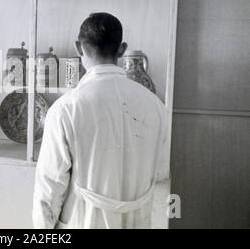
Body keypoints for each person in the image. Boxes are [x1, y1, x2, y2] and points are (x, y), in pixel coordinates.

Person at [32, 12, 168, 229]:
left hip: (83, 222)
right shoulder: (156, 106)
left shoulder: (66, 108)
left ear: (79, 48)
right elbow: (161, 172)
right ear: (122, 49)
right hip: (138, 222)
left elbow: (49, 188)